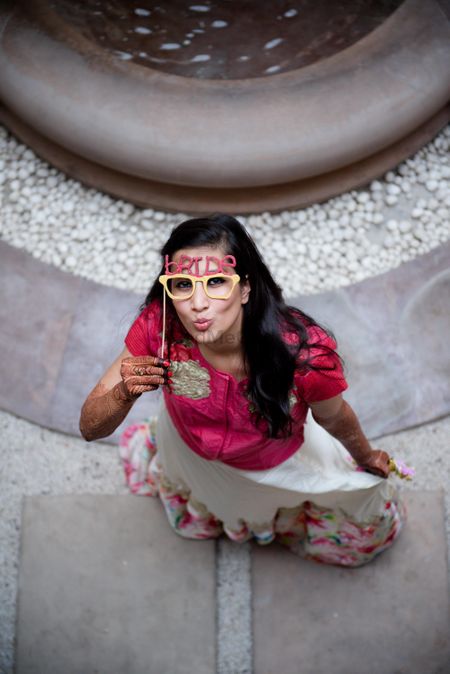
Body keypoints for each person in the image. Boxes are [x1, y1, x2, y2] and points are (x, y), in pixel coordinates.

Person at [79, 213, 406, 567]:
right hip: (186, 445)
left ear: (245, 287)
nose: (198, 304)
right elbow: (89, 427)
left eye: (216, 282)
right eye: (183, 285)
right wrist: (123, 394)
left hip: (265, 463)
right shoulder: (160, 328)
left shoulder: (304, 358)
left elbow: (335, 416)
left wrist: (365, 455)